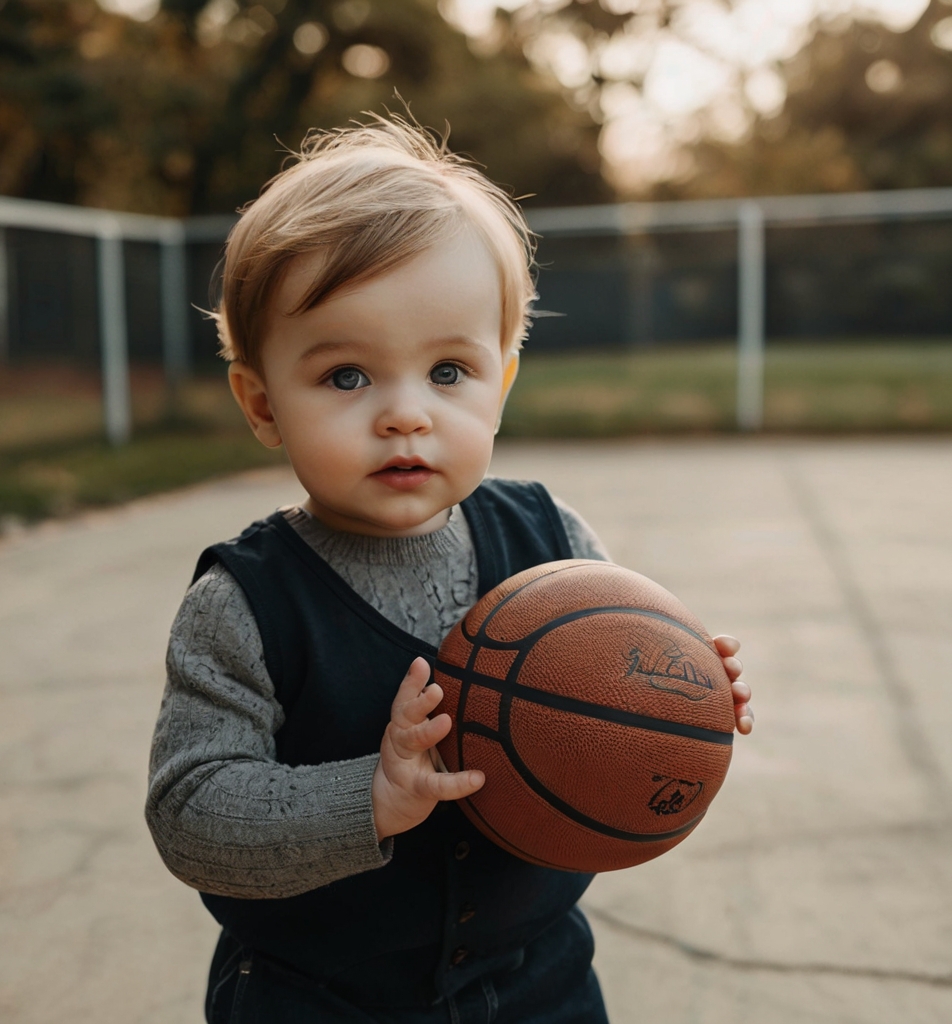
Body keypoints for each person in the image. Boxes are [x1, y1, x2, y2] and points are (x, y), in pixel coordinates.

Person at [145, 115, 754, 1024]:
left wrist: (683, 695)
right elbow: (191, 816)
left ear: (502, 381)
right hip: (317, 996)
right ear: (262, 403)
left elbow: (621, 676)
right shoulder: (245, 604)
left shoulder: (554, 542)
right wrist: (370, 796)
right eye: (348, 376)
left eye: (448, 370)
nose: (405, 415)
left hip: (536, 981)